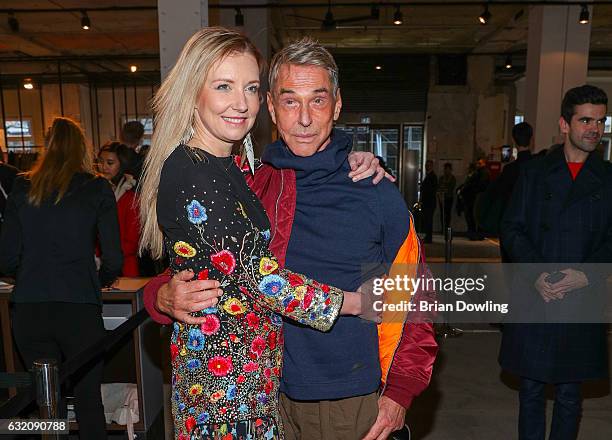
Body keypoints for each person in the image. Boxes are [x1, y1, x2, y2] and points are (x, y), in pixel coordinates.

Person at [145, 37, 438, 440]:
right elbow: (206, 261)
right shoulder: (254, 184)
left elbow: (418, 294)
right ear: (271, 107)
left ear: (336, 106)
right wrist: (160, 295)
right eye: (289, 101)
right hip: (265, 396)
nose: (304, 118)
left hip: (349, 400)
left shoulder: (374, 189)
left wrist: (401, 393)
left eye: (317, 101)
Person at [499, 85, 612, 440]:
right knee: (530, 392)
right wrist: (536, 275)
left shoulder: (608, 178)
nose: (594, 128)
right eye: (585, 120)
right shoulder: (533, 173)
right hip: (539, 293)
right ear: (565, 124)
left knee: (569, 395)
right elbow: (511, 228)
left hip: (582, 295)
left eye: (600, 120)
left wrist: (586, 275)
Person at [0, 117, 123, 440]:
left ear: (47, 146)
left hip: (30, 308)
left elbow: (6, 257)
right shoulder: (97, 187)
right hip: (79, 307)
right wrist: (97, 278)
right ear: (83, 148)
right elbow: (113, 258)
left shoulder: (23, 186)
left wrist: (29, 273)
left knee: (45, 401)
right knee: (87, 400)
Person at [98, 141, 141, 276]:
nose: (103, 167)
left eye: (110, 163)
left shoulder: (131, 197)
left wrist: (105, 254)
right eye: (100, 162)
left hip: (124, 269)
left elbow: (132, 243)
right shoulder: (96, 192)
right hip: (100, 264)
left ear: (121, 165)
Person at [494, 122, 533, 261]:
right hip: (531, 228)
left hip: (511, 226)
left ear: (514, 141)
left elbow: (501, 196)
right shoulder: (538, 167)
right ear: (532, 139)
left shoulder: (509, 170)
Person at [419, 159, 437, 243]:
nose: (427, 167)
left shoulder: (432, 176)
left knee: (429, 220)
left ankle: (429, 237)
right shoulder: (429, 176)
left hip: (429, 202)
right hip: (427, 202)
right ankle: (428, 236)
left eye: (428, 165)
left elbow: (430, 189)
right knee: (427, 220)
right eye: (426, 165)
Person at [437, 162, 455, 233]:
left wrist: (444, 189)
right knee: (442, 213)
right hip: (442, 198)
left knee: (447, 214)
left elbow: (451, 188)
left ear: (450, 170)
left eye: (448, 169)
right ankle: (443, 228)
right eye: (445, 169)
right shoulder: (441, 178)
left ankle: (447, 228)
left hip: (449, 198)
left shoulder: (452, 178)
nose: (446, 171)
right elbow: (439, 187)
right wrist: (441, 192)